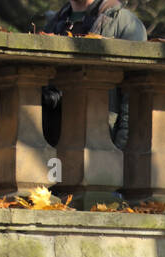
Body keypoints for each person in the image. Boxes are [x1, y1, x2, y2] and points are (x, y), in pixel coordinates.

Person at [40, 0, 147, 151]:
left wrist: (122, 147)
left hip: (102, 144)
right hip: (54, 142)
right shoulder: (55, 23)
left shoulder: (126, 24)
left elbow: (134, 99)